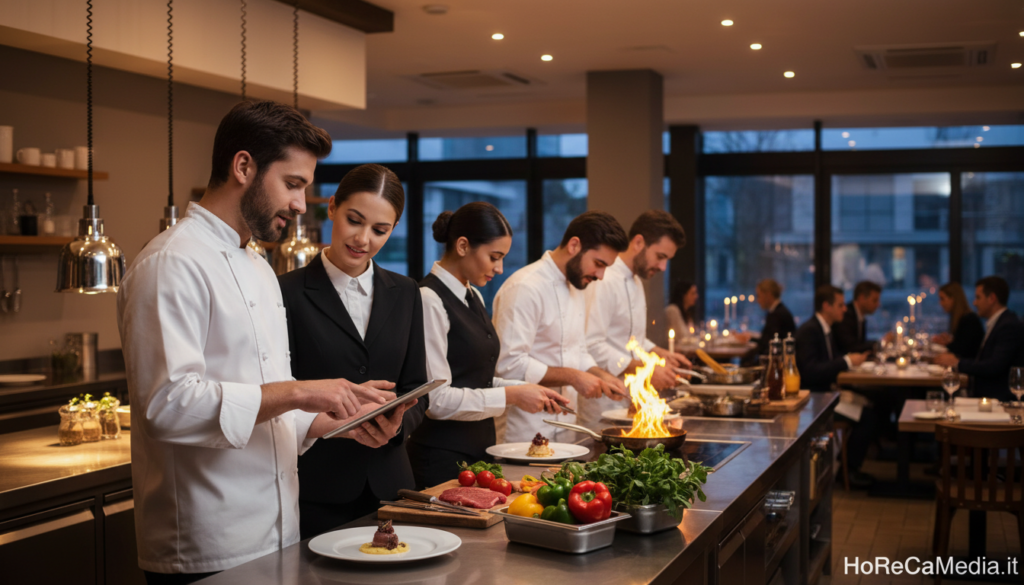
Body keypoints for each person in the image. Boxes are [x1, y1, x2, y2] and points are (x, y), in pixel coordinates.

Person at [117, 101, 394, 584]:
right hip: (206, 543)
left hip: (280, 531)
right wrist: (303, 391)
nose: (300, 205)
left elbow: (263, 396)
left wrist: (330, 423)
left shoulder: (259, 266)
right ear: (243, 166)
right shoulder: (171, 263)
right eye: (292, 184)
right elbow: (167, 405)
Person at [278, 163, 429, 539]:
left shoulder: (406, 291)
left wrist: (394, 427)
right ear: (331, 208)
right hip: (317, 489)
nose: (363, 239)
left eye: (380, 230)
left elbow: (417, 389)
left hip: (393, 488)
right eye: (354, 220)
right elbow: (278, 391)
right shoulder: (285, 292)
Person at [406, 202, 569, 489]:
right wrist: (512, 396)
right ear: (463, 245)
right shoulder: (429, 298)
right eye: (494, 257)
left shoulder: (474, 296)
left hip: (478, 454)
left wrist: (525, 389)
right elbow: (437, 400)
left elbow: (474, 377)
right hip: (441, 459)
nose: (500, 267)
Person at [492, 211, 629, 443]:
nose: (601, 275)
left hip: (566, 429)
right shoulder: (525, 287)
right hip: (523, 432)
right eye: (598, 264)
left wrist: (600, 375)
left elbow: (577, 350)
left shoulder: (576, 286)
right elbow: (508, 364)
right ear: (574, 245)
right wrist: (574, 377)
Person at [582, 211, 692, 428]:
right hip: (603, 404)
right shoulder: (604, 279)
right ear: (639, 242)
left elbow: (632, 340)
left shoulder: (636, 281)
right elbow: (591, 345)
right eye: (661, 257)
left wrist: (659, 353)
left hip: (631, 399)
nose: (663, 268)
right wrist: (646, 369)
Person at [795, 285, 874, 488]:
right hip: (815, 400)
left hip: (827, 393)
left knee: (873, 403)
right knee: (867, 416)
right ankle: (849, 473)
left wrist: (849, 361)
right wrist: (847, 361)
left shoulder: (826, 329)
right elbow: (810, 372)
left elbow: (831, 361)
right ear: (826, 306)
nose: (845, 309)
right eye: (840, 305)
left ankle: (848, 468)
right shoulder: (809, 331)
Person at [934, 276, 1024, 402]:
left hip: (999, 403)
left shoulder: (1008, 326)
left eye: (978, 297)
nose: (974, 303)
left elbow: (994, 366)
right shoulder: (999, 323)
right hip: (986, 398)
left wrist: (957, 362)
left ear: (992, 298)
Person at [734, 279, 795, 357]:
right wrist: (749, 338)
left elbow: (768, 345)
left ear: (768, 295)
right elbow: (766, 340)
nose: (757, 300)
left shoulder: (777, 315)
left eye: (759, 296)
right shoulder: (777, 312)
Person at [931, 282, 984, 359]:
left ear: (952, 299)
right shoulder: (963, 318)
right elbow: (962, 346)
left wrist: (947, 344)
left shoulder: (969, 320)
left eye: (942, 299)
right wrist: (949, 342)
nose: (940, 303)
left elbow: (964, 352)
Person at [834, 281, 882, 355]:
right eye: (874, 300)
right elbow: (851, 348)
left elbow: (860, 344)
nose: (878, 304)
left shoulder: (860, 316)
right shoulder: (845, 315)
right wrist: (880, 343)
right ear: (862, 298)